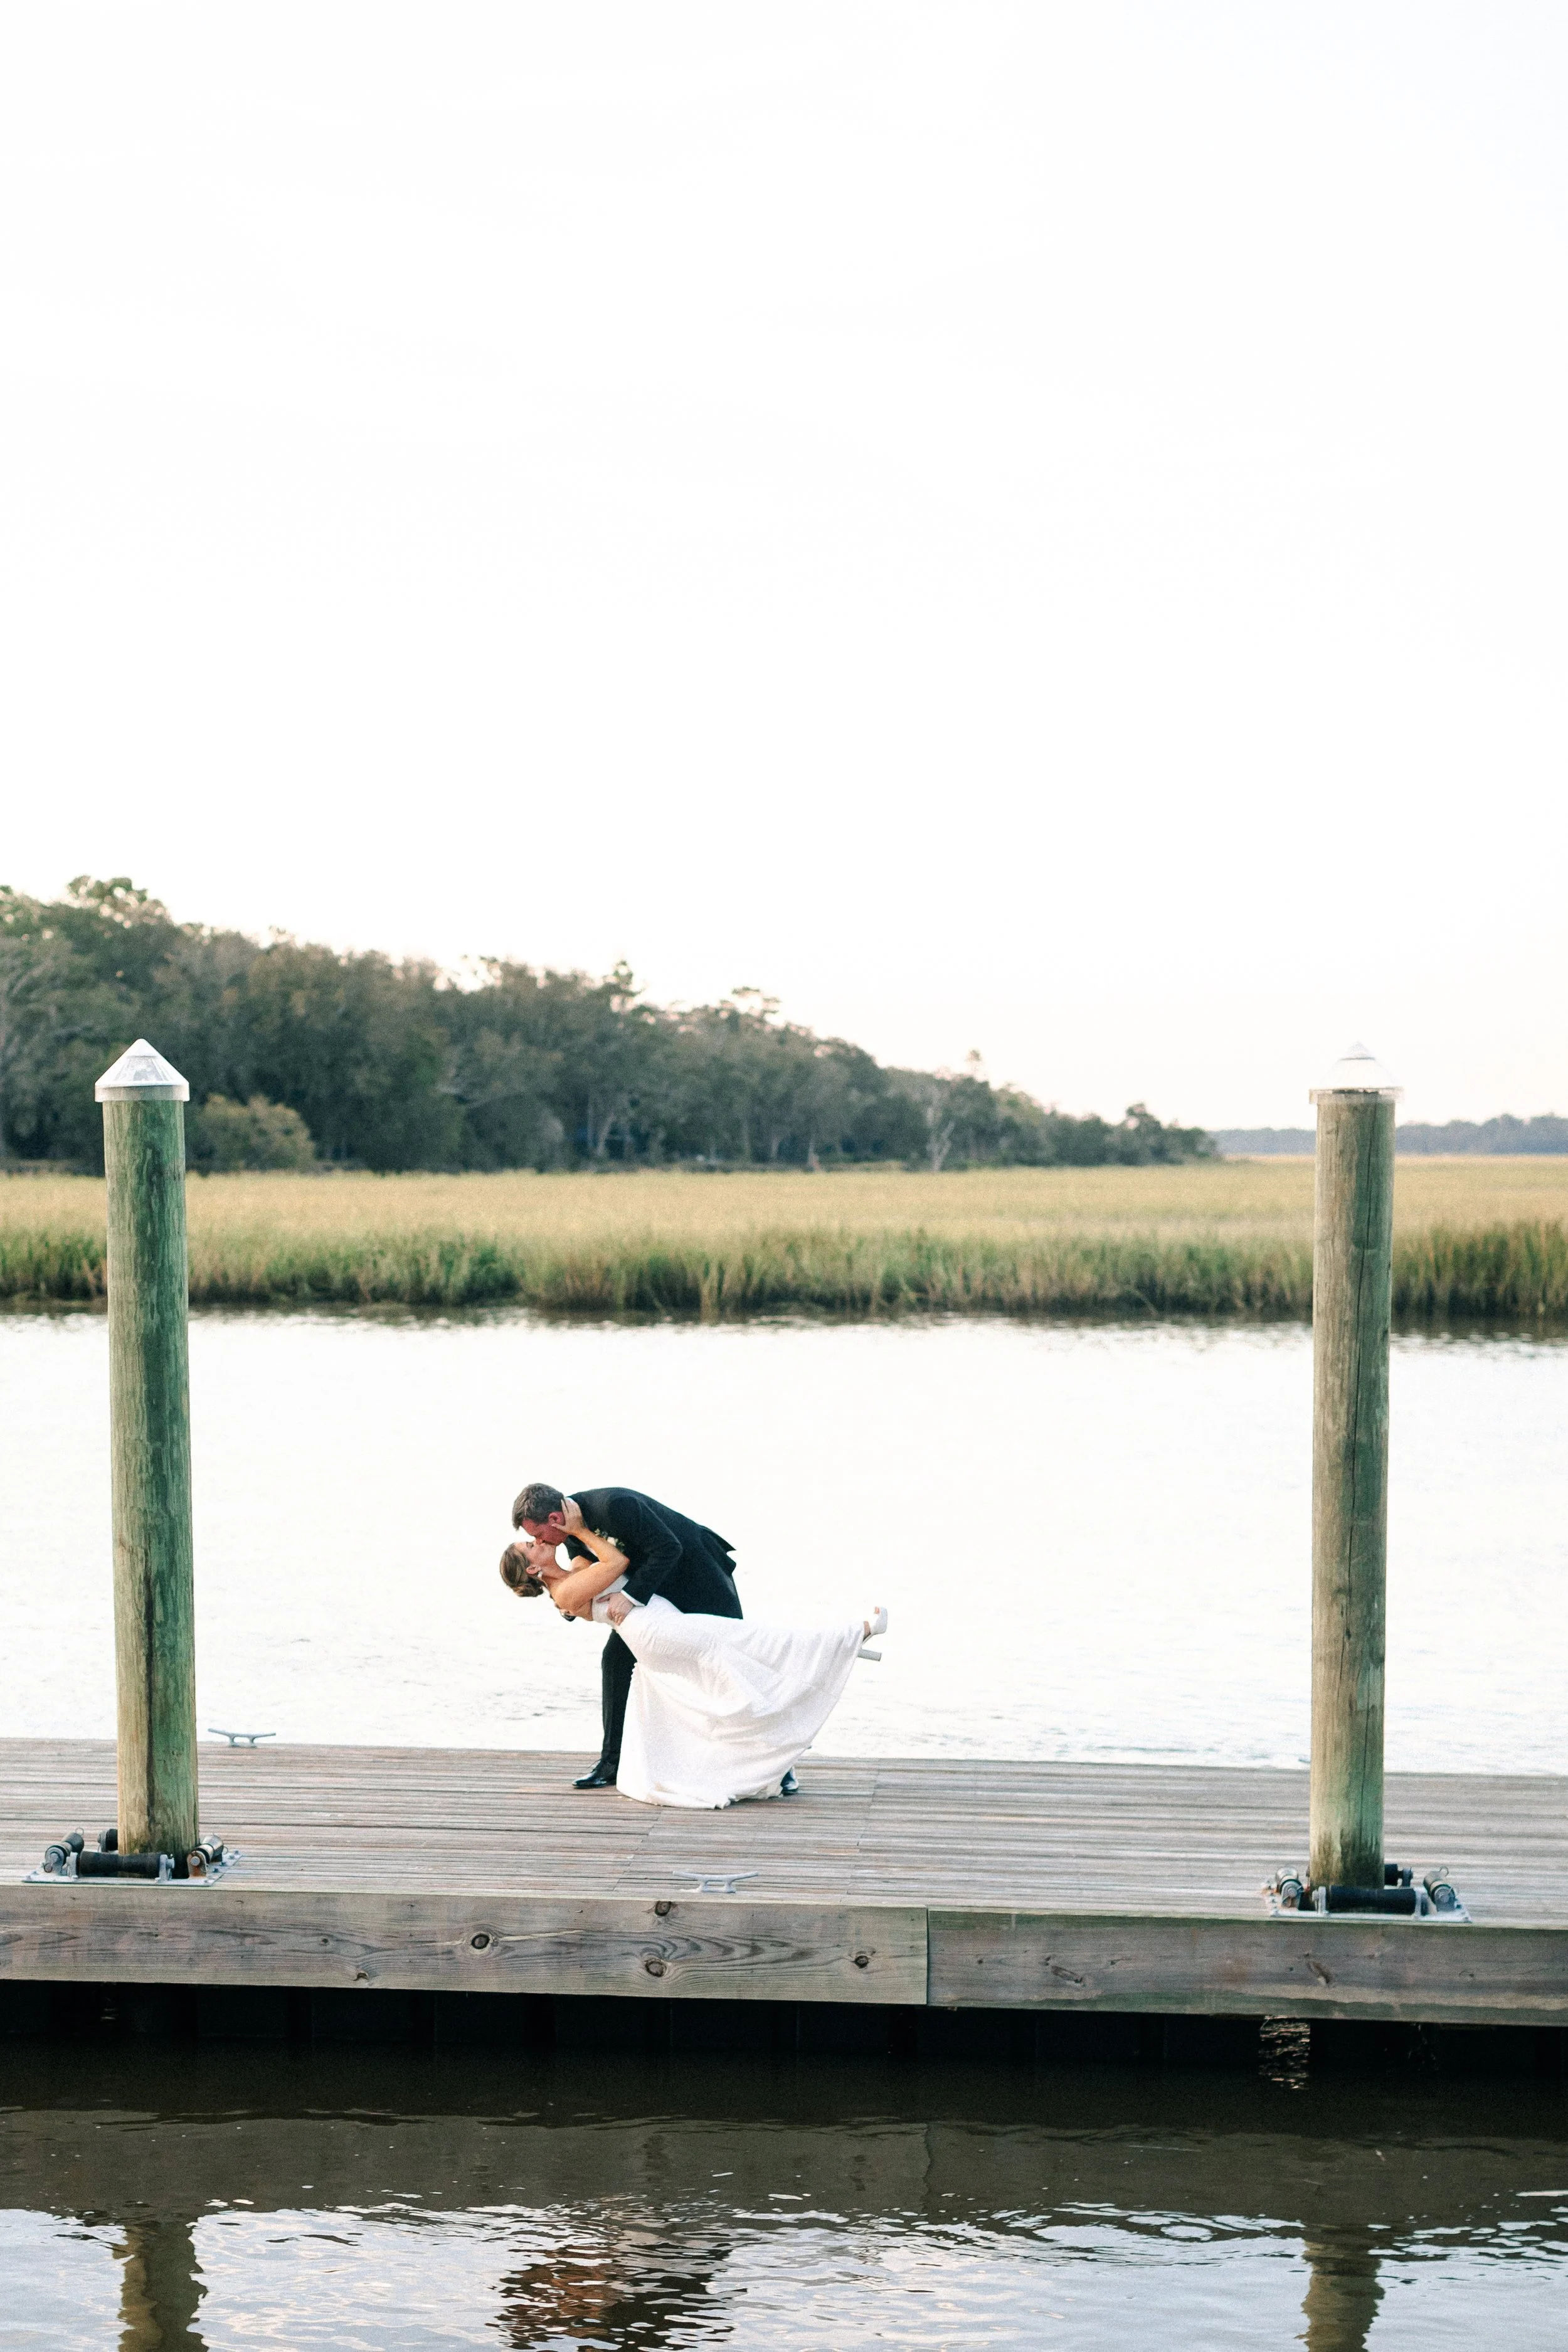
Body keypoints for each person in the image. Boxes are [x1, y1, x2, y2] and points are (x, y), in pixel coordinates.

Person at [502, 1515, 887, 1809]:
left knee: (742, 1656)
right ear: (533, 1569)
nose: (534, 1542)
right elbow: (615, 1560)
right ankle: (856, 1634)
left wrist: (573, 1534)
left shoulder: (572, 1575)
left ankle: (846, 1646)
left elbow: (596, 1559)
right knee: (751, 1643)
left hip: (661, 1622)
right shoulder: (567, 1591)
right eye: (529, 1547)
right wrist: (580, 1528)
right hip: (656, 1631)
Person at [509, 1482, 743, 1789]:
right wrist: (567, 1600)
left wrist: (630, 1596)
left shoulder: (615, 1506)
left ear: (555, 1518)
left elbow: (669, 1548)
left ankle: (778, 1764)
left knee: (734, 1669)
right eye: (533, 1541)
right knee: (614, 1661)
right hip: (655, 1599)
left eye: (537, 1535)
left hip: (700, 1577)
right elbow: (587, 1569)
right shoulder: (570, 1531)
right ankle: (611, 1762)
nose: (539, 1541)